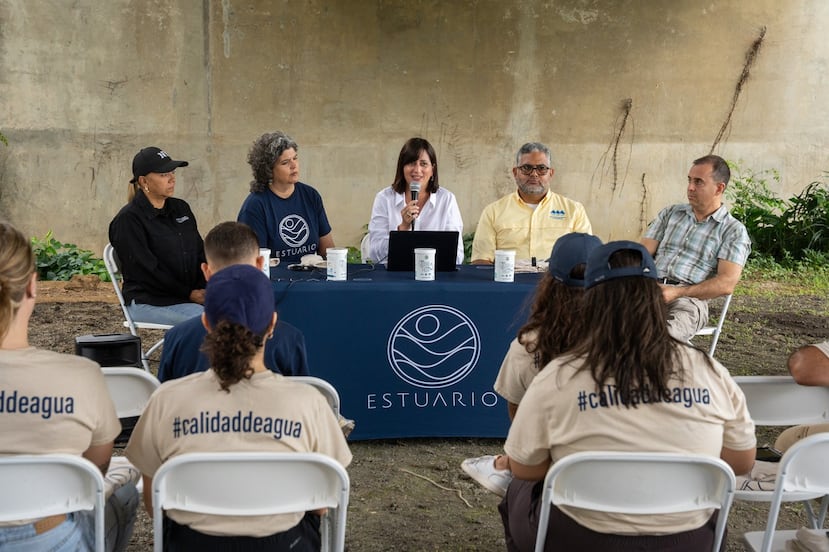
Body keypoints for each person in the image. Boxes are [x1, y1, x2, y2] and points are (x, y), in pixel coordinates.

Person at [499, 241, 756, 552]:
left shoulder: (559, 375)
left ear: (590, 303)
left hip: (581, 539)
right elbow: (741, 461)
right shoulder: (708, 370)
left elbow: (525, 467)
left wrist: (569, 461)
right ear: (656, 299)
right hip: (690, 539)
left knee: (518, 490)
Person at [125, 264, 352, 551]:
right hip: (286, 543)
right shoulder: (309, 402)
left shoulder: (166, 399)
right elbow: (322, 505)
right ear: (272, 325)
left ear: (205, 323)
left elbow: (153, 502)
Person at [0, 221, 138, 551]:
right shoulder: (80, 376)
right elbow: (96, 466)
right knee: (124, 490)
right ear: (33, 287)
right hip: (48, 538)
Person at [460, 232, 602, 497]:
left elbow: (519, 414)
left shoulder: (528, 347)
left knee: (519, 489)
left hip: (562, 486)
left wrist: (513, 462)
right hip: (658, 511)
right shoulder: (635, 344)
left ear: (548, 283)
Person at [157, 221, 310, 382]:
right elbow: (298, 395)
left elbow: (166, 397)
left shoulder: (177, 338)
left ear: (206, 271)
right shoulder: (289, 339)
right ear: (260, 264)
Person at [641, 154, 751, 342]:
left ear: (719, 188)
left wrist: (676, 292)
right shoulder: (671, 214)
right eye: (690, 180)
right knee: (597, 323)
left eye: (699, 182)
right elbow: (640, 255)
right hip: (648, 289)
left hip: (688, 301)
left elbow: (727, 283)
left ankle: (649, 368)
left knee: (662, 339)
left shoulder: (733, 231)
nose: (690, 187)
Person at [109, 146, 207, 325]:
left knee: (243, 310)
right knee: (213, 321)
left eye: (172, 172)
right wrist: (188, 294)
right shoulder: (128, 220)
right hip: (150, 301)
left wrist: (206, 287)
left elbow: (199, 253)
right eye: (163, 174)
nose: (172, 178)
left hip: (188, 298)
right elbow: (147, 272)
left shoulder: (180, 208)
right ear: (144, 181)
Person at [471, 142, 592, 264]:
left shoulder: (574, 211)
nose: (534, 174)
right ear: (515, 172)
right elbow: (481, 260)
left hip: (556, 282)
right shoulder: (493, 212)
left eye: (541, 168)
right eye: (527, 168)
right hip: (508, 281)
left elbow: (585, 258)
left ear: (551, 173)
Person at [238, 131, 335, 264]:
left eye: (295, 158)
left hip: (312, 278)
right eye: (285, 162)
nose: (294, 166)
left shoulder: (311, 195)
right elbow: (253, 262)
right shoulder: (255, 206)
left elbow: (328, 249)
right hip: (275, 282)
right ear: (268, 169)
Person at [367, 137, 464, 264]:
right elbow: (375, 254)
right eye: (411, 163)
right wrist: (402, 229)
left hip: (435, 276)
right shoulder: (384, 198)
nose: (417, 170)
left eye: (423, 164)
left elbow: (456, 255)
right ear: (402, 167)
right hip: (394, 277)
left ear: (432, 169)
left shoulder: (447, 200)